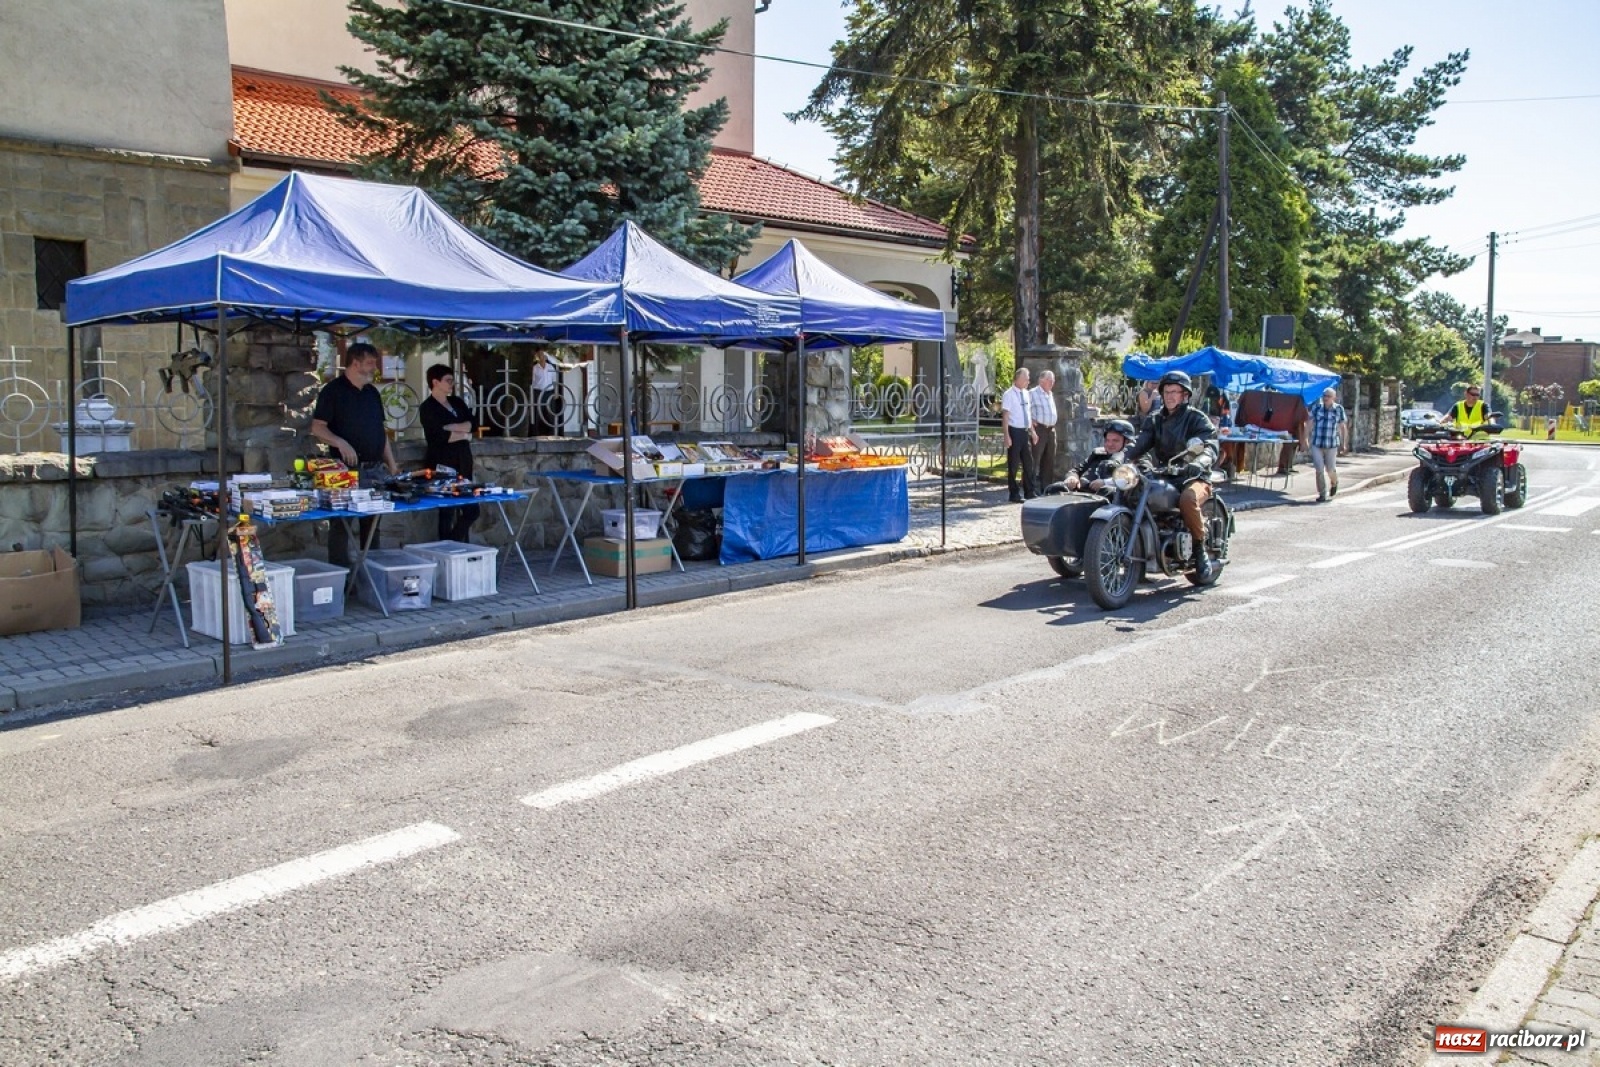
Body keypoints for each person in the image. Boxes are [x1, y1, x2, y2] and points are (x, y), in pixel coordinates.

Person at [310, 341, 399, 568]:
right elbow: (317, 427)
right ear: (355, 363)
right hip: (344, 471)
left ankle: (371, 574)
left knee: (373, 524)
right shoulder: (333, 391)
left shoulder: (371, 393)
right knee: (342, 524)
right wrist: (340, 442)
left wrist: (392, 463)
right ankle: (341, 577)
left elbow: (381, 431)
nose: (374, 368)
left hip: (374, 469)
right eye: (370, 363)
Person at [1125, 370, 1220, 578]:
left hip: (1193, 477)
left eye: (1175, 392)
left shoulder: (1197, 419)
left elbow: (1210, 446)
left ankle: (1199, 548)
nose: (1170, 396)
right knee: (1131, 492)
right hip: (1164, 475)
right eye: (1166, 391)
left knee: (1188, 499)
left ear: (1185, 395)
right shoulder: (1155, 419)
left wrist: (1198, 462)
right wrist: (1119, 458)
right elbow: (1139, 443)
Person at [419, 363, 480, 542]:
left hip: (463, 462)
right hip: (442, 464)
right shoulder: (428, 407)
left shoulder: (457, 402)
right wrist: (462, 433)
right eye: (448, 380)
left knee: (470, 508)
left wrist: (454, 429)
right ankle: (446, 547)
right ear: (435, 382)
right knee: (447, 510)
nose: (451, 384)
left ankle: (457, 542)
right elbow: (438, 435)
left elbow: (472, 424)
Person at [1301, 386, 1349, 502]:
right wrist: (1305, 440)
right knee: (1319, 469)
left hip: (1331, 444)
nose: (1325, 398)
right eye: (1324, 395)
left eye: (1328, 396)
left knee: (1330, 469)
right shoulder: (1317, 408)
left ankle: (1334, 481)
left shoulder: (1338, 409)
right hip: (1317, 443)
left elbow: (1343, 427)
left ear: (1333, 398)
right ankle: (1322, 494)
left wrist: (1344, 443)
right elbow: (1309, 424)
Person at [1062, 419, 1136, 493]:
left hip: (1108, 501)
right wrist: (1072, 478)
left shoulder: (1134, 460)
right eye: (1107, 440)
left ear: (1127, 442)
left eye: (1115, 441)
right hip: (1081, 496)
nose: (1110, 444)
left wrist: (1105, 482)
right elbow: (1077, 470)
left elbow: (1131, 479)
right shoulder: (1098, 454)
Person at [1001, 367, 1038, 503]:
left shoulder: (1026, 394)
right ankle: (1014, 493)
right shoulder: (1009, 394)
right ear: (1020, 379)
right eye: (1027, 378)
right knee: (1014, 464)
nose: (1028, 381)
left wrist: (1032, 432)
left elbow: (1028, 415)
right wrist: (1006, 435)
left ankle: (1030, 491)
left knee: (1029, 463)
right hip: (1014, 430)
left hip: (1024, 431)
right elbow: (1005, 416)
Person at [530, 347, 576, 436]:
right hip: (538, 392)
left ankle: (553, 433)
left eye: (543, 355)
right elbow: (533, 382)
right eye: (539, 355)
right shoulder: (535, 368)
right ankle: (535, 433)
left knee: (550, 412)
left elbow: (555, 380)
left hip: (549, 392)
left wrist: (556, 392)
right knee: (537, 413)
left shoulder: (550, 367)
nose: (541, 357)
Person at [1029, 369, 1058, 495]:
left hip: (1051, 429)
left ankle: (1046, 488)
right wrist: (1031, 422)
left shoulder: (1050, 393)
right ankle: (1031, 488)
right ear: (1041, 380)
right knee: (1035, 459)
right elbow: (1026, 409)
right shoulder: (1032, 393)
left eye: (1053, 380)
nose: (1052, 382)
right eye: (1049, 380)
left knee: (1049, 460)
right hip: (1039, 429)